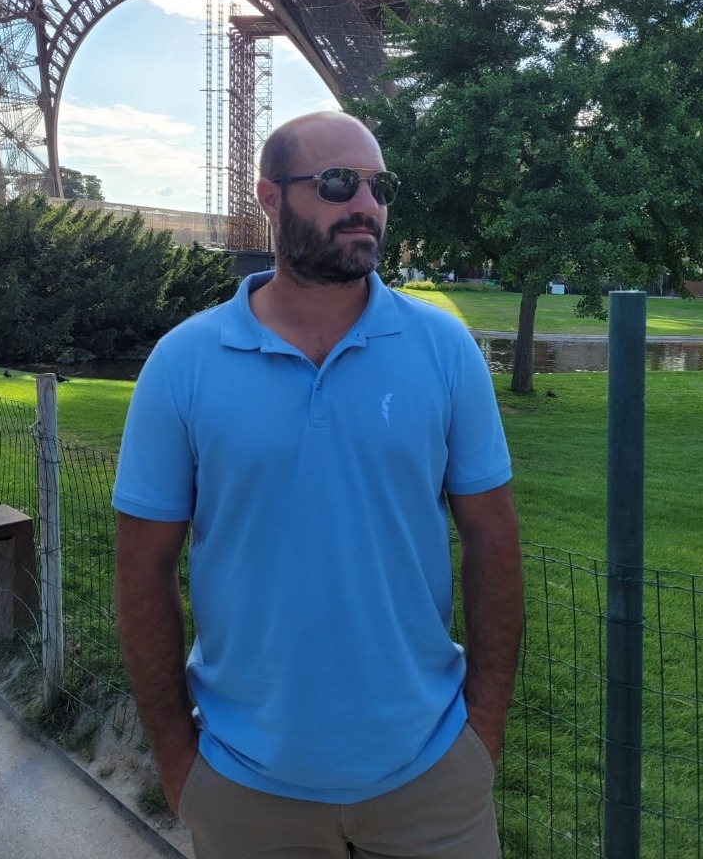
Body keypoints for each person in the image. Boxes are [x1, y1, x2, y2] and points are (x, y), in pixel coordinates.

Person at [113, 110, 523, 859]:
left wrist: (483, 732)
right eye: (338, 183)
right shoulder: (183, 363)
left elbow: (492, 537)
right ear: (271, 198)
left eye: (379, 187)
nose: (365, 204)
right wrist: (179, 765)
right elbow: (142, 569)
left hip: (432, 779)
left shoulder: (444, 348)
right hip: (246, 788)